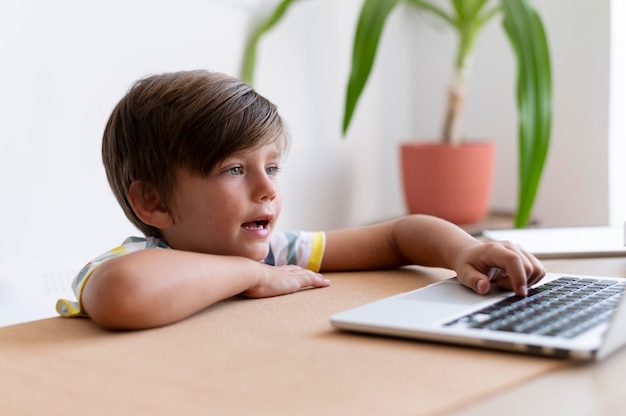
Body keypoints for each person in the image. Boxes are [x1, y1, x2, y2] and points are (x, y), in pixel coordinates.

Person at [56, 70, 545, 330]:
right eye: (233, 170)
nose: (267, 188)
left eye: (271, 167)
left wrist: (463, 251)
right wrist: (256, 276)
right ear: (154, 204)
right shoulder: (141, 261)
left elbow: (398, 235)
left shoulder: (271, 251)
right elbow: (124, 295)